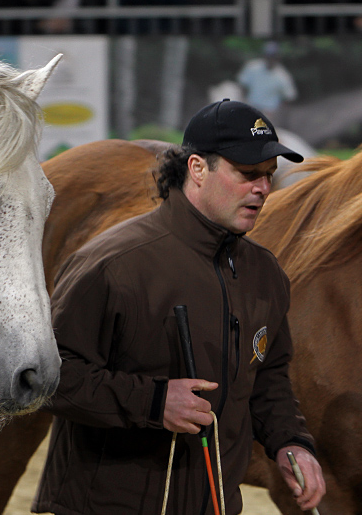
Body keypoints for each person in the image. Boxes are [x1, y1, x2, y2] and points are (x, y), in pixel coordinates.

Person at [32, 99, 325, 515]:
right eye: (247, 174)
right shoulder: (111, 263)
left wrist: (291, 442)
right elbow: (52, 378)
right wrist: (153, 402)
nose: (262, 188)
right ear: (197, 169)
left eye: (268, 175)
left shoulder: (265, 274)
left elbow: (269, 378)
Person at [237, 41, 298, 123]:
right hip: (250, 107)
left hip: (268, 113)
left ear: (278, 57)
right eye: (268, 56)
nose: (270, 59)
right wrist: (243, 101)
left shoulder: (283, 76)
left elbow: (289, 97)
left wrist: (277, 112)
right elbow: (242, 84)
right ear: (264, 56)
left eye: (273, 56)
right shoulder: (253, 67)